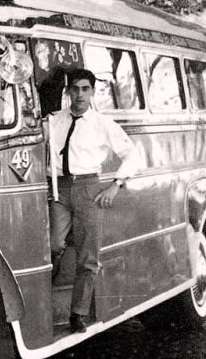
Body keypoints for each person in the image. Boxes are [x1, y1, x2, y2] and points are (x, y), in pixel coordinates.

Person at [48, 69, 138, 333]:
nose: (79, 95)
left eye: (85, 89)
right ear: (67, 92)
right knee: (53, 244)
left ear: (93, 92)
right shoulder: (52, 121)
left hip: (89, 188)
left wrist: (115, 186)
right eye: (75, 89)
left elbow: (132, 155)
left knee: (88, 257)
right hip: (59, 190)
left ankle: (78, 314)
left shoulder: (102, 124)